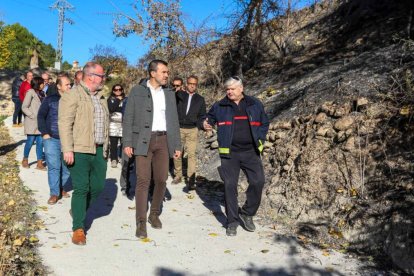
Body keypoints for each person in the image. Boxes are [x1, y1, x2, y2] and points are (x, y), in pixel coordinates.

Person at [203, 76, 269, 236]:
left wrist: (259, 139)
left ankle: (247, 213)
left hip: (251, 152)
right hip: (229, 153)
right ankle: (232, 221)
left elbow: (264, 122)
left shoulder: (254, 104)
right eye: (227, 89)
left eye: (232, 89)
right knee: (229, 186)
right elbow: (208, 118)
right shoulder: (220, 106)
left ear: (241, 88)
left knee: (258, 181)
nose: (229, 92)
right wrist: (205, 123)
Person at [123, 59, 181, 239]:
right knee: (143, 180)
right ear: (153, 73)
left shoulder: (170, 94)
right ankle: (141, 221)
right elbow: (128, 117)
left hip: (163, 140)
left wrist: (177, 145)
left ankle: (154, 214)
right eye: (163, 72)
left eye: (167, 72)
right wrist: (127, 142)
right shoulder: (137, 91)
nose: (166, 75)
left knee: (162, 179)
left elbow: (174, 121)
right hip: (143, 141)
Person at [59, 62, 109, 246]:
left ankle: (77, 210)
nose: (104, 79)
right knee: (81, 188)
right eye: (102, 76)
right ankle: (78, 228)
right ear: (91, 77)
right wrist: (67, 149)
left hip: (99, 149)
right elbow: (64, 123)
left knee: (97, 186)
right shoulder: (72, 95)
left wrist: (107, 148)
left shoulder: (102, 98)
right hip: (79, 149)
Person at [38, 75, 72, 205]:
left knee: (68, 166)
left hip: (68, 139)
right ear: (59, 86)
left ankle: (60, 187)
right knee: (53, 166)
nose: (69, 86)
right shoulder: (50, 99)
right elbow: (41, 116)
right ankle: (54, 193)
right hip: (52, 138)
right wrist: (45, 133)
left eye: (70, 84)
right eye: (67, 84)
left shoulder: (74, 100)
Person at [173, 75, 206, 190]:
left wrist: (200, 125)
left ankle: (191, 180)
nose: (192, 86)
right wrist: (176, 91)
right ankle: (178, 175)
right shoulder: (179, 95)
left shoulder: (200, 99)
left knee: (191, 155)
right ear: (186, 84)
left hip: (192, 130)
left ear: (197, 85)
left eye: (194, 84)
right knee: (177, 153)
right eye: (190, 83)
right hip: (179, 128)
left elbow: (202, 115)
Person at [21, 76, 47, 170]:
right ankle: (25, 159)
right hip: (32, 122)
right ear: (38, 83)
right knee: (30, 141)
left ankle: (39, 163)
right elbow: (24, 107)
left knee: (40, 143)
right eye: (43, 82)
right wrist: (32, 115)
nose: (44, 84)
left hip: (41, 123)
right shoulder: (30, 93)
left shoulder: (43, 94)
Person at [107, 84, 126, 168]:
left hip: (123, 123)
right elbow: (111, 109)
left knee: (124, 142)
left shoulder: (126, 99)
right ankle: (113, 159)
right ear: (113, 91)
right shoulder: (110, 99)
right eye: (116, 89)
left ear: (122, 90)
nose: (118, 91)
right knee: (113, 143)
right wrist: (118, 100)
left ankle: (122, 157)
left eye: (119, 89)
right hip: (113, 124)